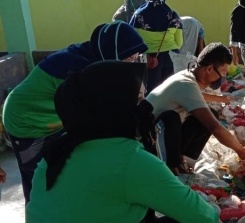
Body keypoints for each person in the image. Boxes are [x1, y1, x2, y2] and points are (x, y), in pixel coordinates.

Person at [19, 60, 231, 223]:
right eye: (138, 99)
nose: (144, 107)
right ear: (115, 106)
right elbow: (193, 210)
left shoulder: (61, 148)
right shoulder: (127, 159)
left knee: (143, 219)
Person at [3, 21, 147, 204]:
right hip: (25, 121)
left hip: (53, 120)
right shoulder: (75, 68)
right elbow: (94, 112)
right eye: (128, 59)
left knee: (59, 171)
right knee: (38, 179)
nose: (131, 63)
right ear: (112, 52)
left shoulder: (94, 58)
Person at [146, 43, 245, 175]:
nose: (223, 79)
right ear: (209, 69)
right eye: (223, 73)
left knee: (207, 114)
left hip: (159, 134)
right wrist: (240, 150)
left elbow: (198, 97)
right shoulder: (186, 85)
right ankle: (168, 169)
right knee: (176, 119)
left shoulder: (187, 76)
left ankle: (183, 163)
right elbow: (214, 127)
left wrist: (221, 99)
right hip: (146, 140)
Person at [130, 0, 183, 94]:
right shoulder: (172, 14)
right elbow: (179, 42)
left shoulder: (138, 15)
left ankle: (151, 111)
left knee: (152, 92)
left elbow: (131, 38)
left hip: (148, 58)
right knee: (169, 90)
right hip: (170, 57)